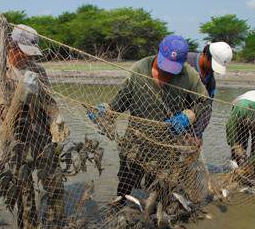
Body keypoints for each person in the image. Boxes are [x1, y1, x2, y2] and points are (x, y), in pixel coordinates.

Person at [88, 35, 209, 199]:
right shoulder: (139, 69)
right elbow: (120, 103)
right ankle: (120, 211)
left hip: (167, 146)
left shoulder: (189, 75)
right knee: (125, 184)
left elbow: (204, 103)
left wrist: (188, 116)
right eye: (165, 65)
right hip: (135, 143)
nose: (167, 72)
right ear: (158, 52)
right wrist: (106, 110)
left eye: (173, 68)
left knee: (162, 189)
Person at [0, 24, 66, 229]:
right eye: (23, 51)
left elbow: (50, 101)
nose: (27, 57)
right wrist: (23, 94)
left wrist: (56, 118)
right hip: (16, 143)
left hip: (42, 138)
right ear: (12, 46)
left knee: (55, 183)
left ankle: (57, 228)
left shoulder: (38, 70)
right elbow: (7, 118)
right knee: (25, 197)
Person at [187, 42, 233, 138]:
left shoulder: (210, 80)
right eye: (212, 65)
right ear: (204, 54)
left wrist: (197, 135)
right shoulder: (185, 62)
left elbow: (207, 108)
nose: (213, 70)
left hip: (190, 121)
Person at [226, 90, 255, 180]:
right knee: (239, 151)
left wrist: (253, 161)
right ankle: (237, 175)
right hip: (243, 118)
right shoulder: (243, 107)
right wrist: (235, 145)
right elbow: (230, 126)